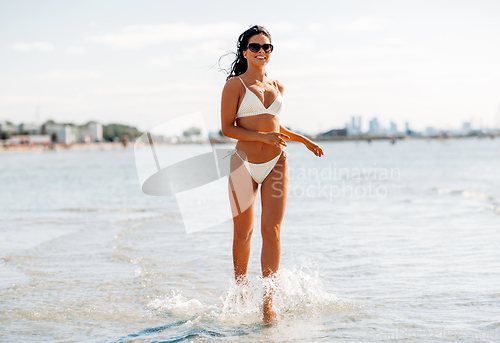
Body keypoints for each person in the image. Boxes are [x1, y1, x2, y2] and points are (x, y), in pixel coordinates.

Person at [220, 25, 324, 324]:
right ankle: (241, 293)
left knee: (272, 232)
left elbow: (276, 127)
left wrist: (303, 140)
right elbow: (227, 128)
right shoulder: (235, 85)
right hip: (243, 164)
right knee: (243, 233)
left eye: (267, 47)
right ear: (245, 52)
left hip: (277, 162)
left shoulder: (278, 85)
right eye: (256, 47)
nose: (262, 52)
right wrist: (262, 138)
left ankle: (268, 302)